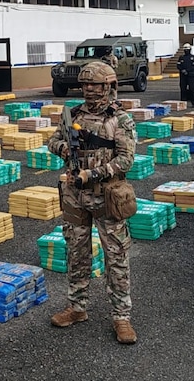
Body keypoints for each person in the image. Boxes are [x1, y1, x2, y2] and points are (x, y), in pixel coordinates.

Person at [46, 61, 138, 344]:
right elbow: (52, 141)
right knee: (76, 251)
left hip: (106, 194)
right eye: (85, 85)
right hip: (75, 196)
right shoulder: (73, 115)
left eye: (95, 85)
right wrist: (64, 148)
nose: (89, 90)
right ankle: (77, 307)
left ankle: (121, 317)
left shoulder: (119, 120)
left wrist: (94, 173)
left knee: (116, 256)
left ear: (109, 86)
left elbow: (126, 159)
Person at [177, 43, 194, 108]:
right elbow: (178, 65)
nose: (186, 50)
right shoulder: (181, 57)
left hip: (191, 76)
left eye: (187, 49)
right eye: (185, 49)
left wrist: (187, 71)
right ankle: (183, 103)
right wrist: (182, 70)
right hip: (183, 76)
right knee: (183, 89)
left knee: (192, 89)